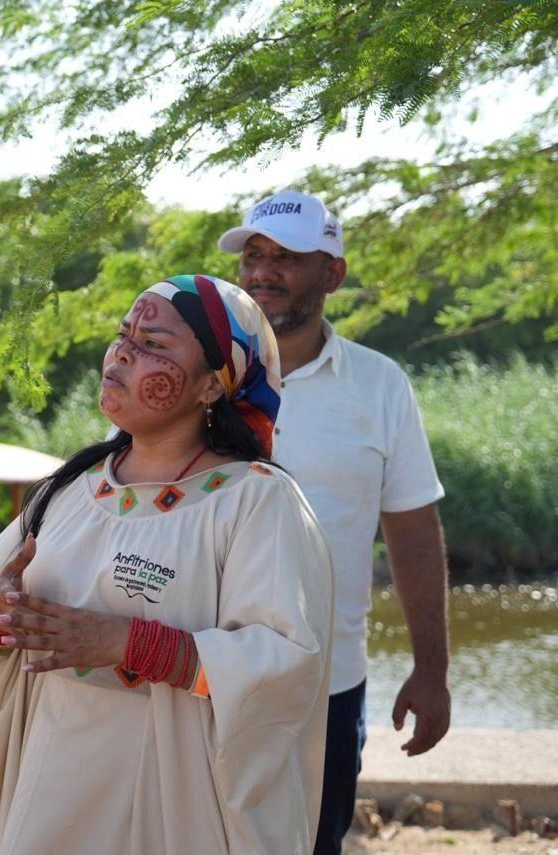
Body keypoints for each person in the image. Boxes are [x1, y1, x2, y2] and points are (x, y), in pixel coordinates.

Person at [0, 275, 334, 854]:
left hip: (177, 795)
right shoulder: (71, 490)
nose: (123, 353)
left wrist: (133, 645)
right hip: (50, 781)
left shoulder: (255, 499)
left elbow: (286, 665)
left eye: (155, 345)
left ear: (210, 387)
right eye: (124, 335)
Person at [218, 191, 451, 855]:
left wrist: (431, 670)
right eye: (254, 255)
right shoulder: (202, 376)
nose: (262, 271)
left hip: (328, 687)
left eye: (286, 257)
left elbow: (412, 534)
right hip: (199, 673)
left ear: (333, 273)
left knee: (314, 844)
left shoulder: (381, 385)